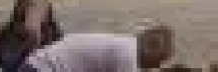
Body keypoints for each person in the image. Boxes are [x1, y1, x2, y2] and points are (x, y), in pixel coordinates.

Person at [22, 30, 173, 72]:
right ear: (150, 49)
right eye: (157, 61)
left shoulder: (125, 44)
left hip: (37, 64)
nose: (155, 67)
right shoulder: (128, 54)